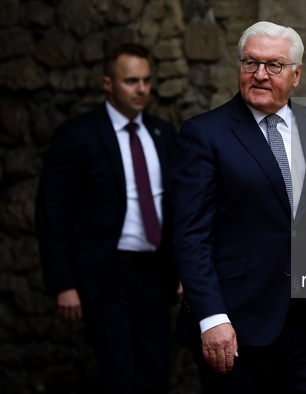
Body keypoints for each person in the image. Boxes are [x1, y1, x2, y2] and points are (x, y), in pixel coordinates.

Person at [171, 21, 306, 393]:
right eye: (250, 63)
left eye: (274, 65)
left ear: (296, 75)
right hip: (236, 330)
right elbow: (190, 237)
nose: (260, 74)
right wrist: (211, 318)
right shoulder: (204, 134)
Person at [36, 43, 179, 393]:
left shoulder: (163, 134)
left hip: (156, 274)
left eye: (146, 80)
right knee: (119, 375)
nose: (141, 89)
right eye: (131, 81)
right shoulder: (77, 136)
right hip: (107, 274)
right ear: (107, 83)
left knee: (157, 372)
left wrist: (182, 268)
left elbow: (178, 208)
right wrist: (64, 284)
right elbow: (50, 213)